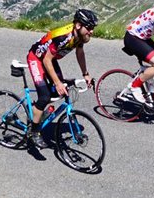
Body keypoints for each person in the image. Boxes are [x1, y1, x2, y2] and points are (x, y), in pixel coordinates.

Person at [23, 8, 98, 144]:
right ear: (78, 25)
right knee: (45, 95)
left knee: (62, 89)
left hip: (50, 59)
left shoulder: (80, 36)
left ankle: (38, 112)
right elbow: (46, 60)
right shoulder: (63, 37)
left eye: (93, 28)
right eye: (89, 27)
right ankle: (34, 131)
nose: (91, 31)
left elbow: (80, 53)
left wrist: (85, 74)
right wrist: (57, 82)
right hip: (37, 58)